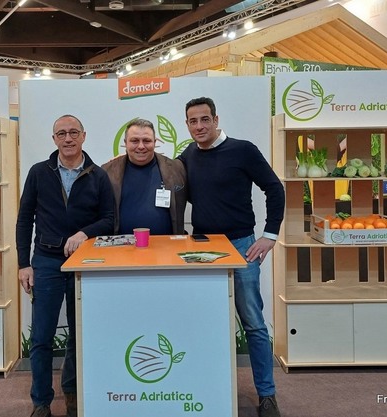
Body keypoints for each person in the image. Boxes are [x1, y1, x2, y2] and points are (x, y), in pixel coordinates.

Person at [179, 97, 285, 417]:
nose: (199, 126)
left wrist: (270, 235)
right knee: (206, 323)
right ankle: (208, 390)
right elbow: (163, 178)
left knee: (253, 323)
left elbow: (274, 188)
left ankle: (267, 394)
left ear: (216, 119)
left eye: (204, 119)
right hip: (203, 250)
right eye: (193, 121)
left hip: (241, 246)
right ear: (187, 125)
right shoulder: (188, 156)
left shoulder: (243, 150)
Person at [16, 115, 116, 417]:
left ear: (83, 136)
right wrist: (24, 264)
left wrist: (84, 233)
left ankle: (72, 393)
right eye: (61, 133)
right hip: (46, 262)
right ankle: (41, 402)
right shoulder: (38, 173)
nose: (68, 138)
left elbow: (110, 220)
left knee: (78, 332)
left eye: (73, 132)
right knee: (42, 336)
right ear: (54, 139)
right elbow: (25, 219)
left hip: (85, 262)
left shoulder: (98, 176)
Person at [102, 118, 187, 235]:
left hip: (166, 244)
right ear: (125, 143)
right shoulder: (107, 171)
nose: (141, 146)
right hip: (121, 244)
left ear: (155, 142)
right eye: (134, 141)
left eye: (147, 141)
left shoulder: (176, 168)